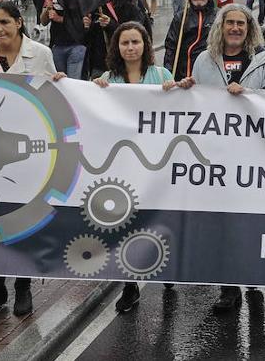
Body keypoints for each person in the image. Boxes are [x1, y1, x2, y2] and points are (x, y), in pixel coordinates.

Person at [175, 3, 265, 314]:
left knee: (249, 222)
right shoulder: (204, 61)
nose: (235, 28)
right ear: (220, 27)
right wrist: (185, 89)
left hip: (252, 159)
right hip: (215, 160)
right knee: (221, 224)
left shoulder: (262, 61)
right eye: (230, 23)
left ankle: (252, 276)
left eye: (241, 24)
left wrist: (250, 94)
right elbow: (193, 103)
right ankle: (228, 288)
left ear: (249, 29)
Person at [0, 0, 61, 320]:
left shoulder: (41, 54)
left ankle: (23, 286)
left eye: (5, 22)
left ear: (19, 22)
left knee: (22, 223)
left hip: (25, 155)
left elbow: (53, 100)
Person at [91, 21, 176, 313]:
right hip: (121, 165)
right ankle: (129, 286)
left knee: (156, 221)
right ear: (117, 46)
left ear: (145, 45)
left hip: (154, 164)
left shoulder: (161, 75)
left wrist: (174, 90)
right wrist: (95, 92)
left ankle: (165, 271)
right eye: (125, 43)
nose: (130, 48)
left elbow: (177, 114)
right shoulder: (108, 78)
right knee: (124, 226)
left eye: (135, 42)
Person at [163, 0, 215, 82]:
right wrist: (168, 75)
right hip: (183, 77)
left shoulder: (218, 17)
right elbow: (171, 48)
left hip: (209, 77)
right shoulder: (181, 17)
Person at [42, 0, 89, 79]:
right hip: (57, 45)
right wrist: (47, 10)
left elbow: (84, 22)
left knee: (73, 82)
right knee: (59, 81)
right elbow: (43, 22)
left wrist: (59, 19)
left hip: (76, 44)